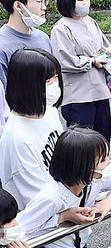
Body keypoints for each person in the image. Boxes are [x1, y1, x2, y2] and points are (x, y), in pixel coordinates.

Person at [50, 0, 111, 141]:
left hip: (100, 91)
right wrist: (91, 61)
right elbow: (63, 61)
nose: (85, 3)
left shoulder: (90, 22)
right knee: (82, 145)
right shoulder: (61, 28)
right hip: (78, 96)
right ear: (68, 0)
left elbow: (105, 48)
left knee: (102, 139)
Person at [0, 49, 64, 209]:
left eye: (56, 77)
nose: (55, 84)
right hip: (44, 225)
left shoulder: (49, 112)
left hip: (68, 209)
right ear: (28, 86)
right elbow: (36, 200)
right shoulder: (17, 138)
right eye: (48, 81)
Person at [0, 0, 51, 90]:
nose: (44, 7)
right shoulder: (2, 46)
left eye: (44, 1)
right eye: (39, 1)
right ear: (18, 6)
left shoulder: (43, 38)